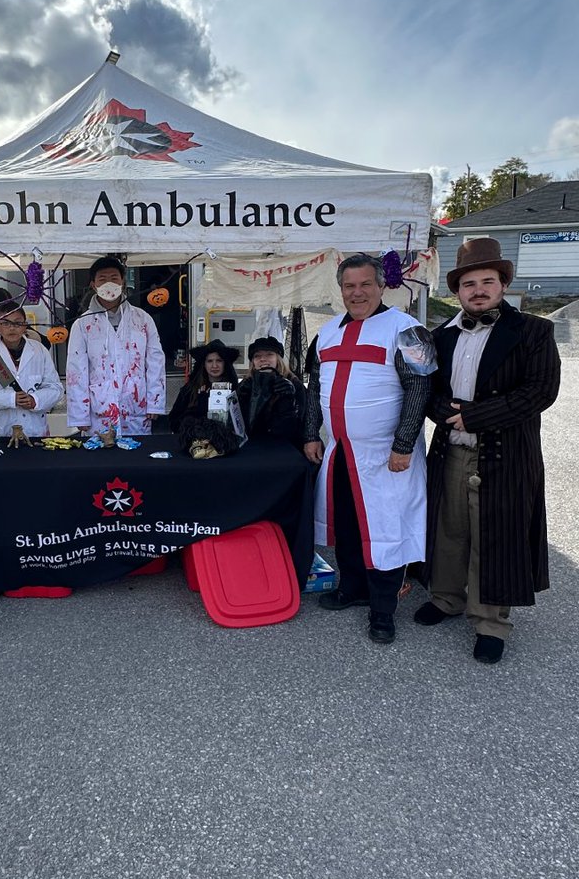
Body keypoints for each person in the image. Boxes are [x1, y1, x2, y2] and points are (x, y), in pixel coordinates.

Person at [417, 238, 560, 664]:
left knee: (495, 537)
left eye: (487, 281)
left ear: (502, 285)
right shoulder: (439, 336)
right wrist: (446, 413)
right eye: (469, 284)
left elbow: (540, 391)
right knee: (449, 529)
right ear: (457, 291)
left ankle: (491, 622)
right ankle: (446, 598)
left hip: (505, 454)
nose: (478, 290)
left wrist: (475, 417)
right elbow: (426, 390)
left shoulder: (534, 331)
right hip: (451, 450)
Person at [303, 253, 434, 644]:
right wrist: (312, 433)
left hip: (387, 455)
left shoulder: (408, 330)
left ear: (381, 286)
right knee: (347, 524)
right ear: (340, 289)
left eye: (364, 285)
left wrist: (403, 444)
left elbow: (420, 388)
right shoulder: (325, 333)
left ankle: (383, 609)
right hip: (341, 451)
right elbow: (314, 388)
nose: (356, 293)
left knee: (385, 529)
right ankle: (353, 588)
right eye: (349, 286)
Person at [65, 256, 166, 436]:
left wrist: (155, 402)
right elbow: (76, 371)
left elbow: (155, 361)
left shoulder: (142, 319)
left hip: (136, 404)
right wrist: (80, 415)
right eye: (102, 279)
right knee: (100, 460)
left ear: (122, 282)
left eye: (114, 278)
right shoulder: (82, 324)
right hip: (100, 408)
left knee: (137, 458)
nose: (109, 283)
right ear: (93, 285)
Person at [0, 300, 64, 437]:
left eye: (17, 323)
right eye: (5, 323)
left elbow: (55, 388)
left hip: (34, 429)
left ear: (25, 325)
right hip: (0, 430)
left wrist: (35, 400)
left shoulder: (39, 350)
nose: (12, 328)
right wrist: (11, 398)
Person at [236, 337, 306, 448]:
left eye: (269, 354)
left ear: (278, 359)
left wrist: (289, 400)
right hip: (252, 445)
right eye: (257, 356)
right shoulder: (246, 384)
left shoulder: (294, 384)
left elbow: (301, 423)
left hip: (285, 446)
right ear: (253, 362)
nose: (263, 359)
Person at [168, 339, 239, 432]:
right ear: (204, 364)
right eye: (210, 361)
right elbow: (174, 420)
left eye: (219, 361)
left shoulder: (235, 390)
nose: (214, 366)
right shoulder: (190, 389)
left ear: (225, 363)